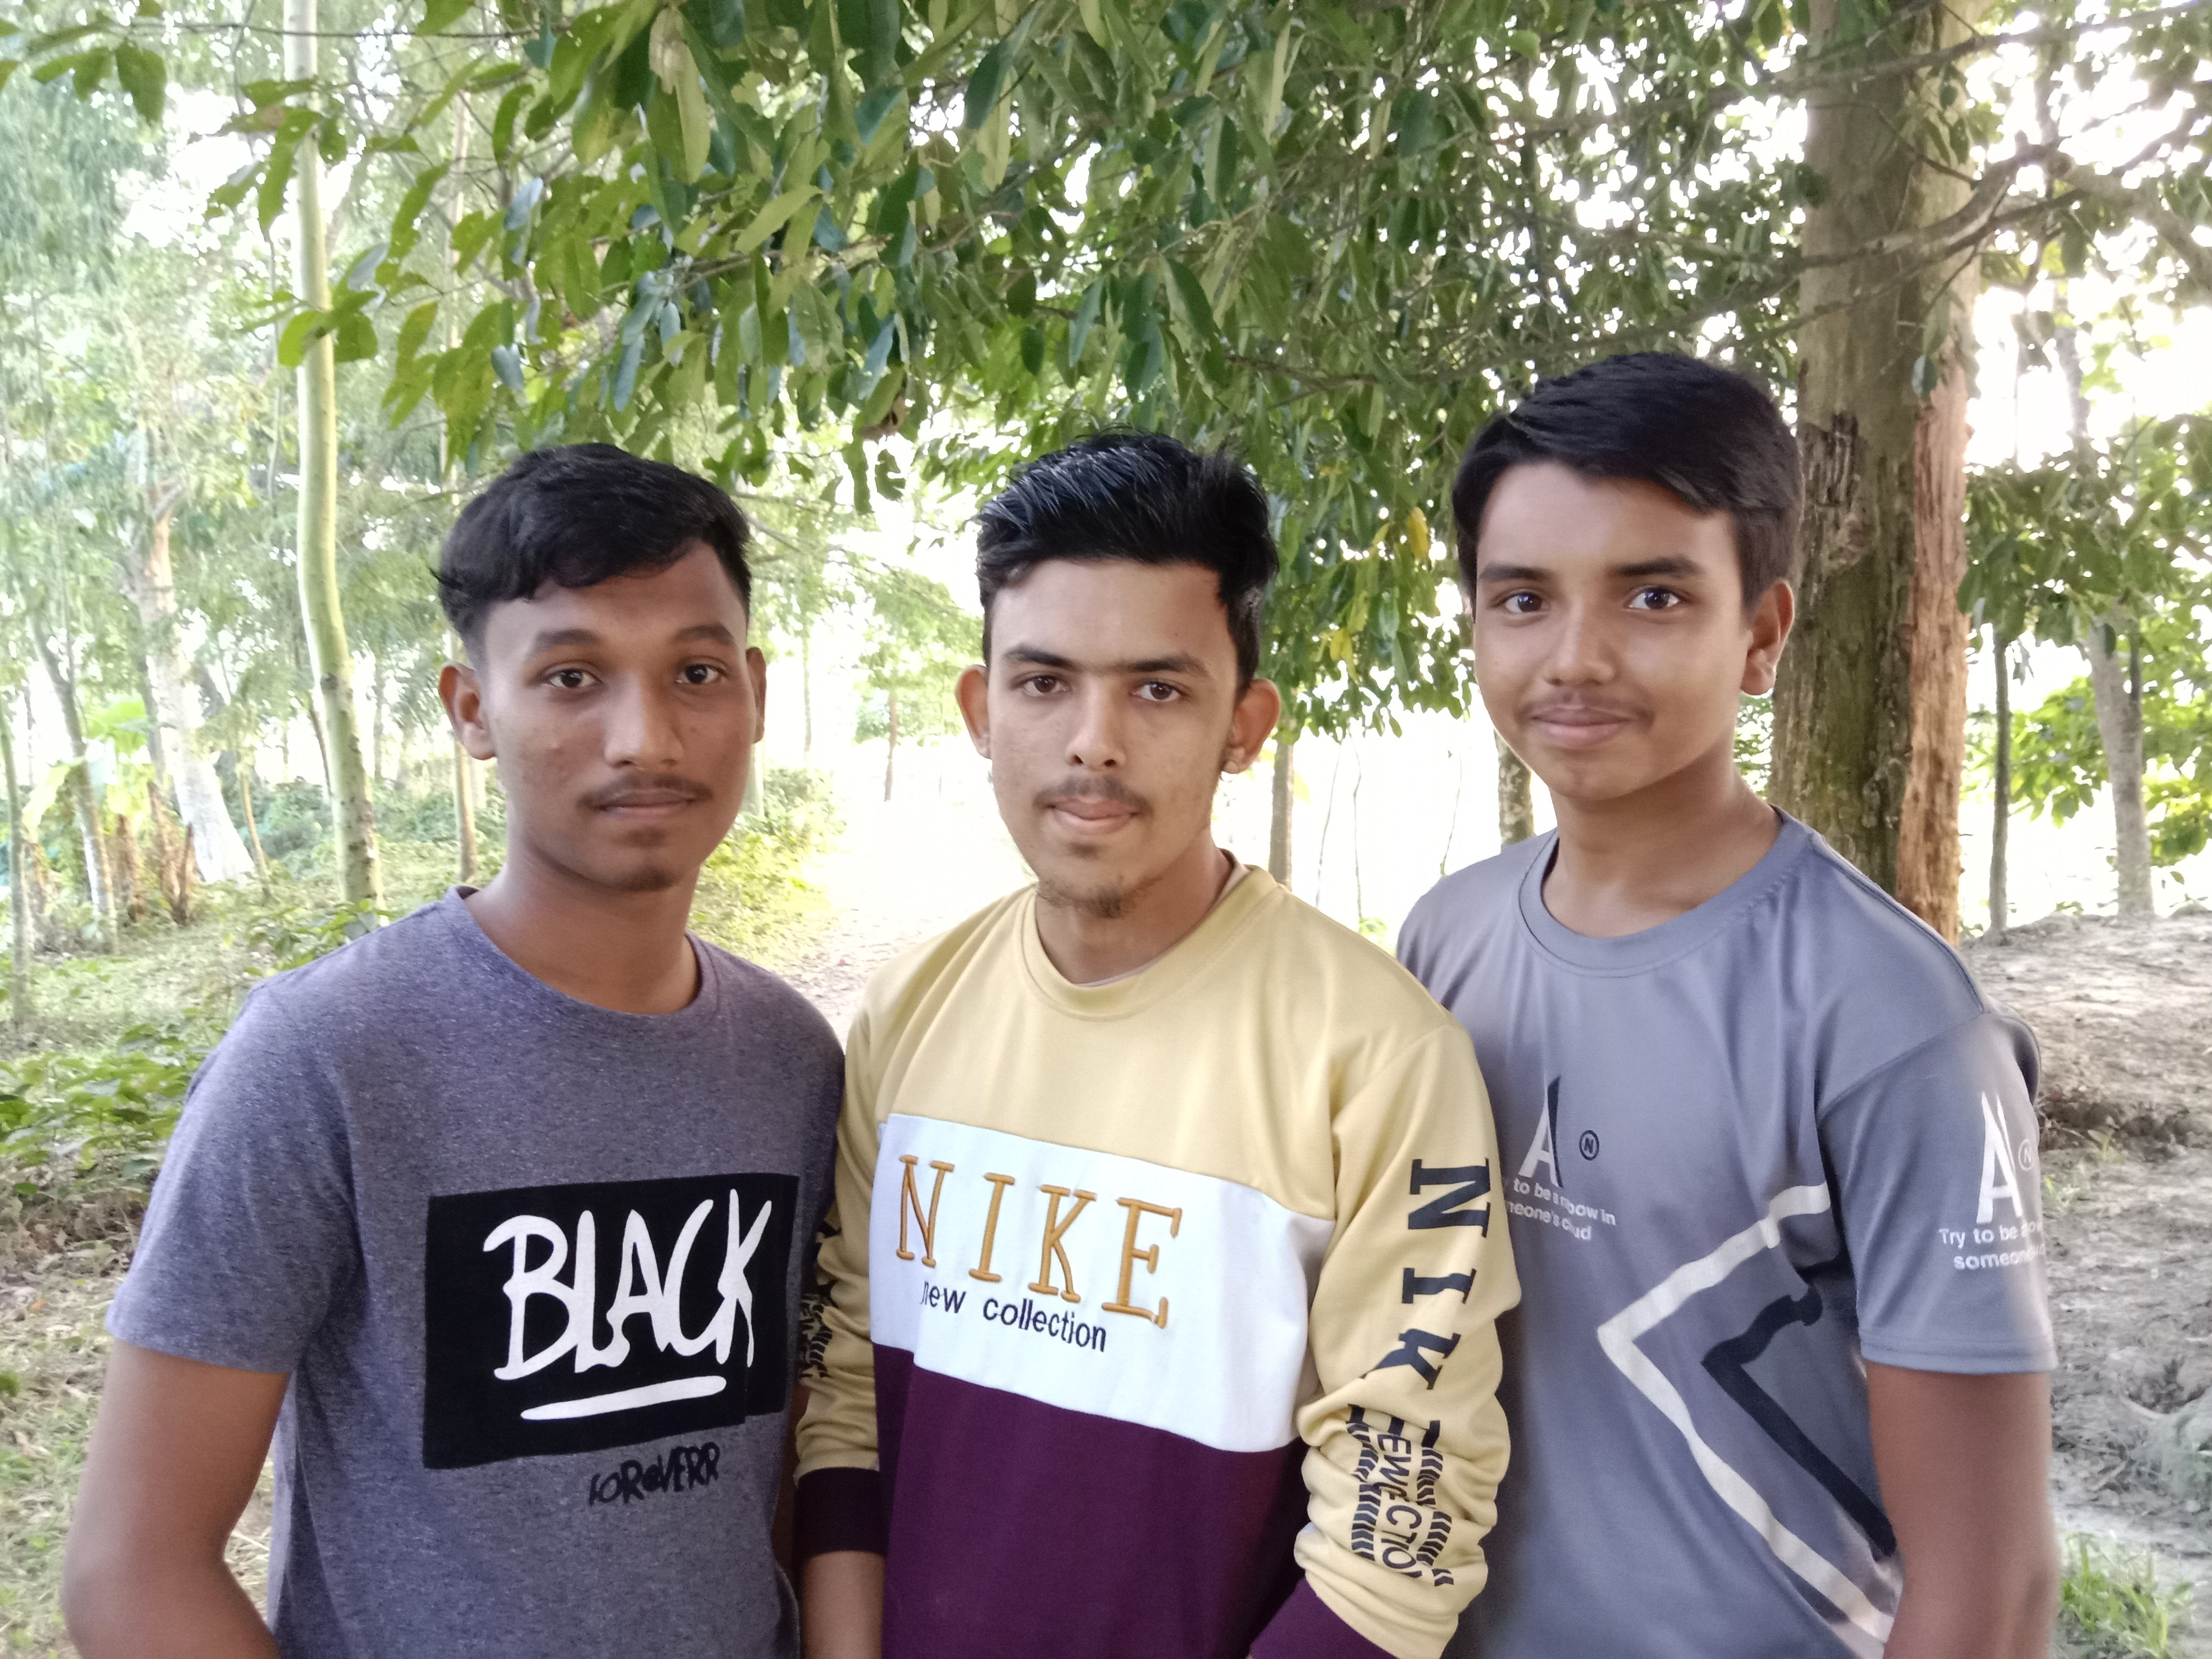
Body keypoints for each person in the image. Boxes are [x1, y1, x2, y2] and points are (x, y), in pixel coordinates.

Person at [63, 443, 843, 1658]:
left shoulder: (792, 1060)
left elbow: (779, 1469)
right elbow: (131, 1573)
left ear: (752, 694)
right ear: (472, 710)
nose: (645, 738)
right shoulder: (325, 1059)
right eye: (572, 677)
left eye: (694, 673)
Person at [792, 433, 1520, 1659]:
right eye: (1043, 683)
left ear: (1245, 725)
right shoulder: (908, 1013)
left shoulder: (1380, 1056)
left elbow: (1401, 1520)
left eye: (1158, 690)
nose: (1094, 741)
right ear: (979, 710)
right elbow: (845, 1402)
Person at [1395, 353, 2058, 1658]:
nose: (1574, 658)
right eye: (1522, 598)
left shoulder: (1892, 1020)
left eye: (1652, 595)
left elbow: (1990, 1589)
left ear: (1761, 634)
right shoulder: (1443, 939)